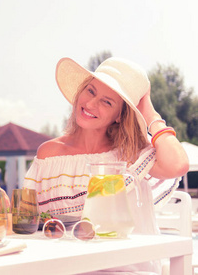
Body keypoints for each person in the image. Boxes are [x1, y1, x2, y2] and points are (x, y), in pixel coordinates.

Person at [24, 57, 189, 274]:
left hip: (126, 268)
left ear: (120, 115)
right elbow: (27, 218)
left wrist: (148, 111)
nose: (91, 104)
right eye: (90, 91)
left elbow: (178, 165)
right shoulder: (49, 154)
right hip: (65, 266)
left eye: (107, 102)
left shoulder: (131, 155)